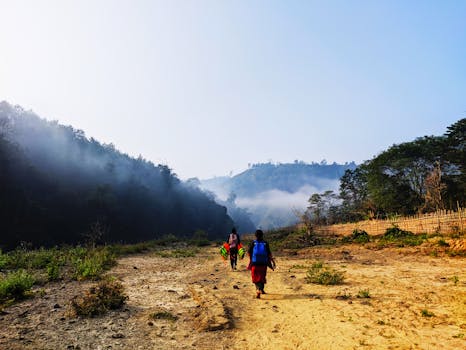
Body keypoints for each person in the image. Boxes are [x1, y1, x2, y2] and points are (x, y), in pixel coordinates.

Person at [248, 229, 274, 298]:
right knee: (262, 276)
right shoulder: (265, 243)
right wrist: (272, 261)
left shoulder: (253, 243)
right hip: (263, 263)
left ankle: (258, 289)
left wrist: (251, 259)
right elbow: (269, 253)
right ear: (262, 235)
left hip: (255, 263)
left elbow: (249, 252)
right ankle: (261, 289)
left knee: (255, 277)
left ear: (255, 235)